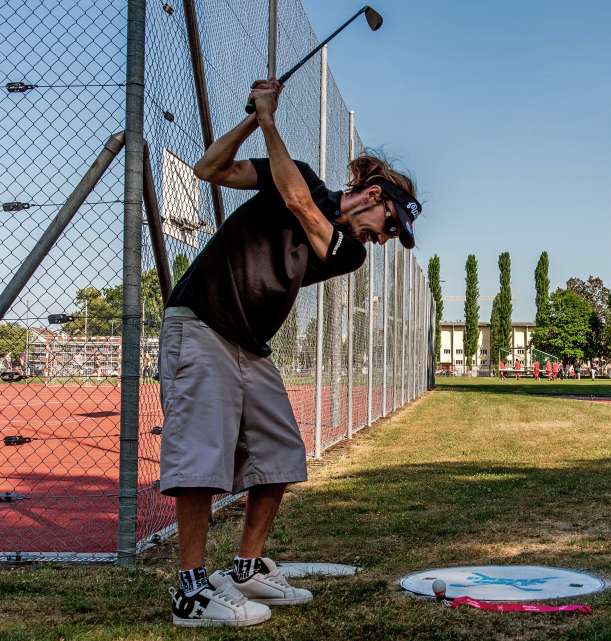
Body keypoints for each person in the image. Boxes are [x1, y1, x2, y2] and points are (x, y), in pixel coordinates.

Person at [159, 79, 422, 627]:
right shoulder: (295, 170)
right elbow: (210, 168)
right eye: (391, 224)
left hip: (250, 346)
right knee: (203, 459)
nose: (388, 236)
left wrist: (271, 119)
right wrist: (255, 120)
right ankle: (190, 591)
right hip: (203, 324)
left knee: (279, 453)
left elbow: (300, 203)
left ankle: (247, 568)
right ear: (374, 195)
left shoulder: (349, 250)